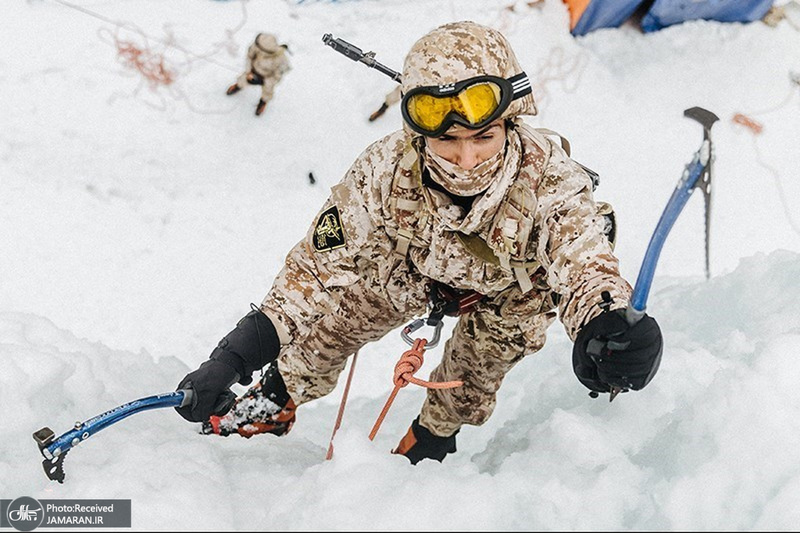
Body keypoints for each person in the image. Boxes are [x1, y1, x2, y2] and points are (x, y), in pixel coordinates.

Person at [178, 21, 663, 464]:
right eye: (447, 140)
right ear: (418, 134)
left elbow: (585, 265)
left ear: (511, 122)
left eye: (484, 136)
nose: (466, 159)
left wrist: (608, 326)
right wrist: (233, 357)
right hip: (410, 269)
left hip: (510, 292)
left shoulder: (551, 182)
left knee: (474, 373)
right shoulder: (385, 170)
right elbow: (313, 271)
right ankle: (275, 398)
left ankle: (431, 438)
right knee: (329, 324)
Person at [226, 33, 290, 116]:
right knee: (243, 79)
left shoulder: (281, 60)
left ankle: (263, 102)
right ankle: (238, 86)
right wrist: (249, 71)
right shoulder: (257, 46)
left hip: (268, 77)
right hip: (253, 71)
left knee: (268, 90)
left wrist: (267, 81)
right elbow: (249, 57)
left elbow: (278, 76)